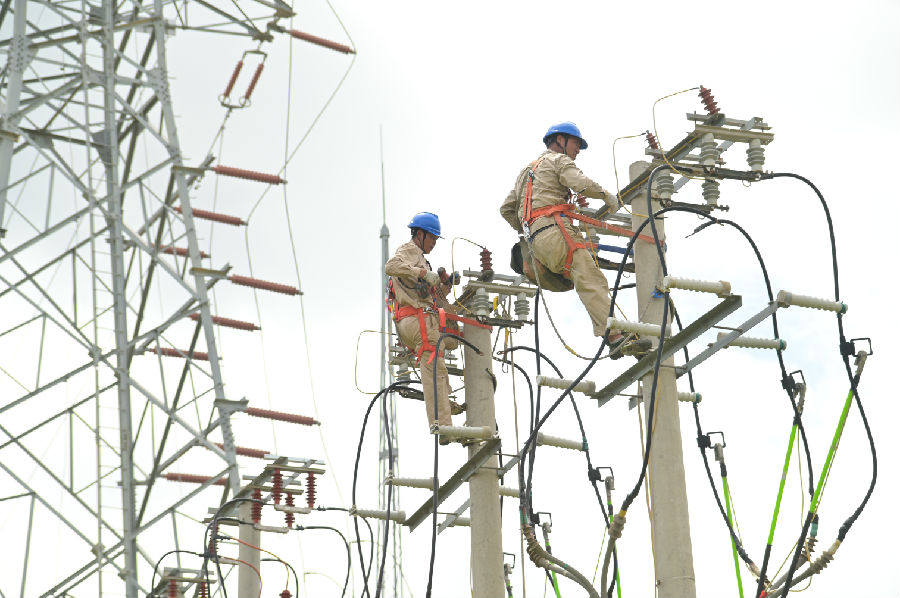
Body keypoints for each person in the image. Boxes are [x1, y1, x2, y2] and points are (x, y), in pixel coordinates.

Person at [500, 122, 649, 358]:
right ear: (560, 140)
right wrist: (606, 196)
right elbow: (579, 183)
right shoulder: (558, 161)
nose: (577, 151)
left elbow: (507, 209)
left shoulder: (526, 172)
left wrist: (529, 226)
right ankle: (615, 336)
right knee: (590, 277)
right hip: (555, 231)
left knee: (582, 277)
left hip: (537, 243)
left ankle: (616, 334)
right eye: (576, 144)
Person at [385, 212, 463, 439]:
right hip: (416, 319)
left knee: (449, 346)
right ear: (420, 234)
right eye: (433, 238)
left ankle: (446, 404)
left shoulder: (420, 256)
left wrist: (445, 285)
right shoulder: (410, 250)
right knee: (434, 367)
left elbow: (431, 295)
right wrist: (422, 273)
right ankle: (443, 425)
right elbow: (391, 266)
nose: (434, 243)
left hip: (422, 318)